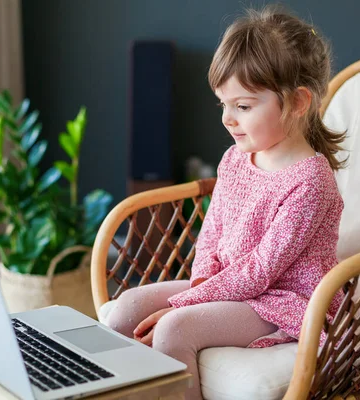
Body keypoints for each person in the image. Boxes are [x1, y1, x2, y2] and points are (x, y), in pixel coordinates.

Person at [105, 5, 346, 399]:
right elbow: (212, 232)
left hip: (282, 302)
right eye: (223, 104)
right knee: (126, 307)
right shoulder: (236, 158)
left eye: (243, 106)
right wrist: (201, 284)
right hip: (228, 288)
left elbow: (259, 272)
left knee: (174, 328)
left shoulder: (311, 182)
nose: (227, 119)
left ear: (299, 102)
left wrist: (184, 305)